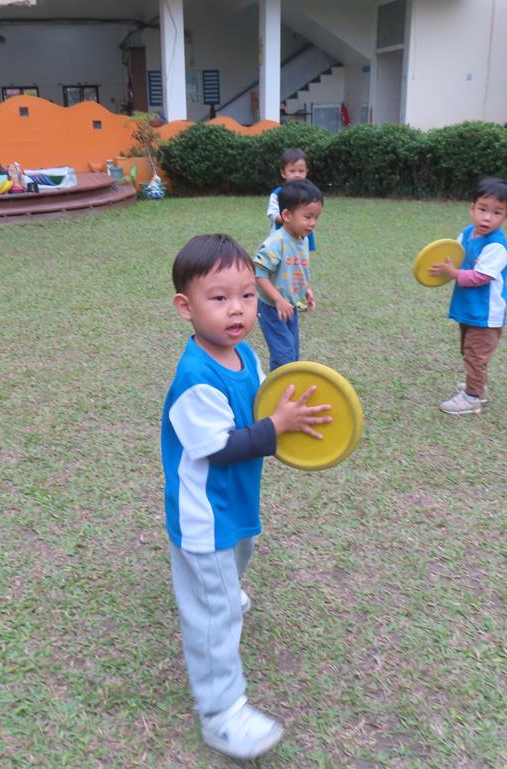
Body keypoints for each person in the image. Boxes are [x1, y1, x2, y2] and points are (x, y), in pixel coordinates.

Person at [162, 234, 332, 760]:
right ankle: (221, 714)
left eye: (247, 295)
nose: (236, 309)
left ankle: (220, 588)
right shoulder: (195, 379)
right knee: (215, 616)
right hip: (204, 515)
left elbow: (263, 409)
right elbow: (220, 447)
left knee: (242, 554)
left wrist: (288, 423)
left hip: (234, 505)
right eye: (219, 298)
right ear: (186, 307)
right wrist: (276, 429)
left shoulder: (245, 356)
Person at [428, 176, 507, 415]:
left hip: (486, 314)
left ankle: (472, 398)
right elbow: (454, 256)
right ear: (472, 209)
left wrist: (452, 272)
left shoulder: (496, 246)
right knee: (468, 351)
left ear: (506, 217)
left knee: (475, 355)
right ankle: (477, 386)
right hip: (468, 308)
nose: (487, 217)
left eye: (497, 212)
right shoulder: (467, 233)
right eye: (482, 209)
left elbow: (480, 277)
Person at [254, 179, 323, 371]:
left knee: (291, 353)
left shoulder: (302, 239)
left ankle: (285, 384)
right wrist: (278, 300)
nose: (313, 223)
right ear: (286, 215)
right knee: (284, 356)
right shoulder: (276, 243)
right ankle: (279, 386)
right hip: (271, 308)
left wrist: (306, 289)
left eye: (316, 217)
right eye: (308, 217)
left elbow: (298, 268)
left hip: (289, 306)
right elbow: (259, 275)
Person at [266, 148, 317, 254]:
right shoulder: (277, 194)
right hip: (281, 236)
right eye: (292, 171)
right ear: (283, 173)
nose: (297, 175)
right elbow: (272, 214)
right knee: (282, 259)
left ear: (306, 172)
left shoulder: (309, 193)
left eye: (301, 171)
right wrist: (290, 218)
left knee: (300, 259)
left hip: (302, 235)